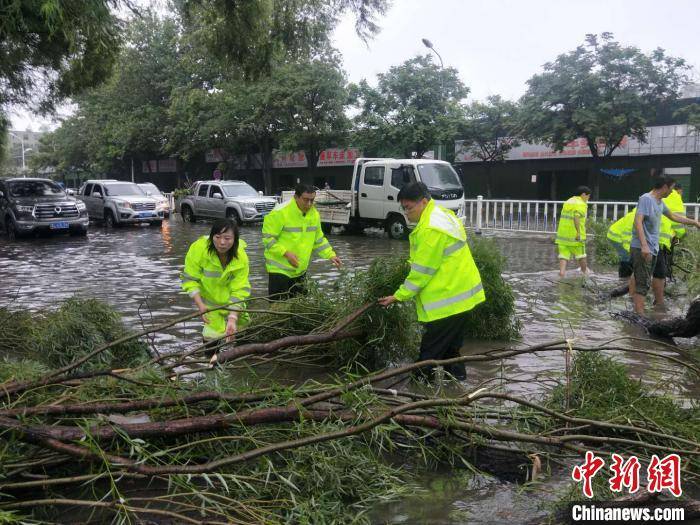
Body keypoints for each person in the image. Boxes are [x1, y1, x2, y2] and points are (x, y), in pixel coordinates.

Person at [378, 182, 485, 381]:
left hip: (448, 300)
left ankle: (417, 392)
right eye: (403, 208)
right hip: (463, 295)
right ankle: (458, 389)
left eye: (408, 208)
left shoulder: (430, 228)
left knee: (428, 354)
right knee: (450, 350)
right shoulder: (443, 214)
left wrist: (397, 296)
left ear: (424, 202)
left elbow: (421, 273)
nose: (406, 213)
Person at [629, 176, 700, 314]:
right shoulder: (646, 199)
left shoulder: (660, 202)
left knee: (645, 280)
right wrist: (644, 245)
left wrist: (695, 223)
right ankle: (639, 316)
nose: (672, 191)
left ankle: (639, 312)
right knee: (642, 283)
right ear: (665, 187)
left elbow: (673, 216)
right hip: (642, 247)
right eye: (671, 188)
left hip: (654, 247)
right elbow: (638, 222)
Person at [262, 183, 341, 299]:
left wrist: (331, 255)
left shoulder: (314, 214)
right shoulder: (280, 212)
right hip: (279, 270)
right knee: (279, 310)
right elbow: (267, 239)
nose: (309, 204)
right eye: (305, 200)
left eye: (312, 200)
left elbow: (318, 239)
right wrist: (286, 253)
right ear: (296, 197)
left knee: (300, 309)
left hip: (300, 270)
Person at [181, 219, 251, 349]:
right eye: (217, 237)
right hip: (210, 306)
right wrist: (200, 305)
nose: (222, 242)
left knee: (243, 337)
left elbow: (240, 289)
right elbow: (189, 279)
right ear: (212, 236)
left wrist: (232, 318)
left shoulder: (241, 256)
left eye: (227, 238)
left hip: (234, 305)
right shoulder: (199, 249)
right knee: (210, 344)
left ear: (235, 239)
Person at [555, 186, 591, 277]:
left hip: (563, 235)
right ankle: (585, 273)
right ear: (583, 194)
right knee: (581, 255)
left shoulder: (568, 201)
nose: (588, 199)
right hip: (575, 236)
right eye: (588, 196)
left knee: (563, 256)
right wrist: (578, 232)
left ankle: (562, 273)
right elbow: (576, 217)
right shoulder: (581, 204)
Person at [607, 209, 636, 278]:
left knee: (628, 256)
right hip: (615, 236)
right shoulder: (633, 217)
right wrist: (629, 250)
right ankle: (624, 277)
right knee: (626, 256)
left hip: (618, 235)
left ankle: (627, 276)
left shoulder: (638, 214)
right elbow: (627, 235)